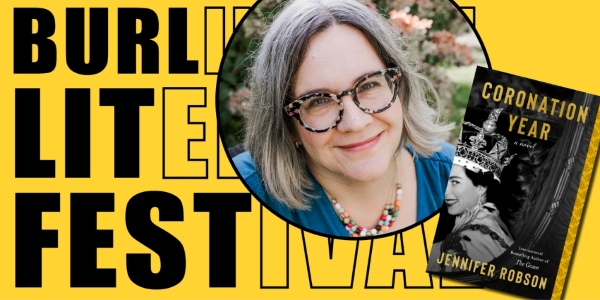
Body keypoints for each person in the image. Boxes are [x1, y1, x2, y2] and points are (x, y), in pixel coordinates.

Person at [233, 0, 455, 237]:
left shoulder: (465, 178)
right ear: (287, 125)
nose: (356, 123)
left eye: (369, 84)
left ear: (399, 87)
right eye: (319, 101)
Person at [427, 108, 516, 271]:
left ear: (481, 187)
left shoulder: (473, 239)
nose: (445, 192)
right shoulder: (487, 220)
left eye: (455, 182)